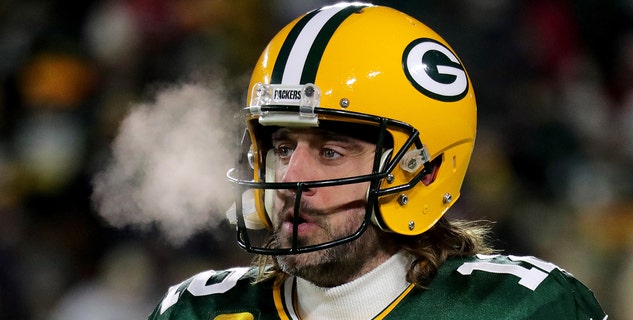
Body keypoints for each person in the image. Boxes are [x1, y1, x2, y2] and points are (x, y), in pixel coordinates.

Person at [148, 3, 607, 319]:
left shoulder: (523, 309)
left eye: (330, 152)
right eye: (283, 148)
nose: (290, 178)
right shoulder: (197, 311)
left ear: (423, 171)